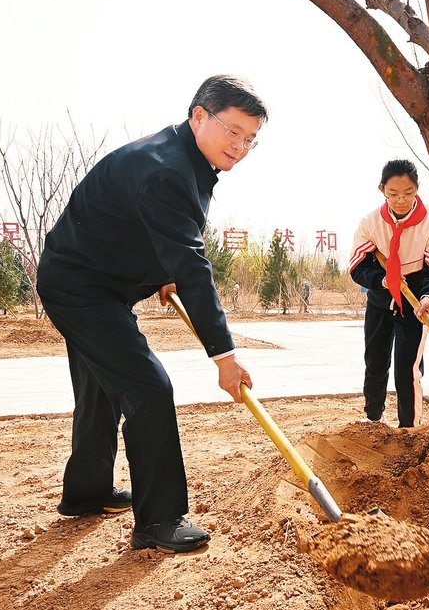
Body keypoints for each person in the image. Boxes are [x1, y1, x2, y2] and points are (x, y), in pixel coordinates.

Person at [36, 74, 267, 553]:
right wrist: (223, 355)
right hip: (81, 288)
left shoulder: (180, 159)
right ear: (199, 115)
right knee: (148, 386)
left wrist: (162, 272)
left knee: (103, 388)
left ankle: (86, 493)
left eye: (251, 139)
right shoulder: (165, 168)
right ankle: (159, 520)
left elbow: (143, 231)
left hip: (88, 278)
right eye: (234, 132)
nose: (241, 147)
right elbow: (192, 263)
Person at [348, 159, 429, 428]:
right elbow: (357, 265)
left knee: (409, 370)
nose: (401, 200)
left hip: (414, 304)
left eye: (407, 194)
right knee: (375, 362)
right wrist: (382, 280)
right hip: (380, 302)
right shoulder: (371, 223)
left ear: (417, 189)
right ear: (382, 189)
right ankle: (372, 417)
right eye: (393, 194)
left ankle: (409, 428)